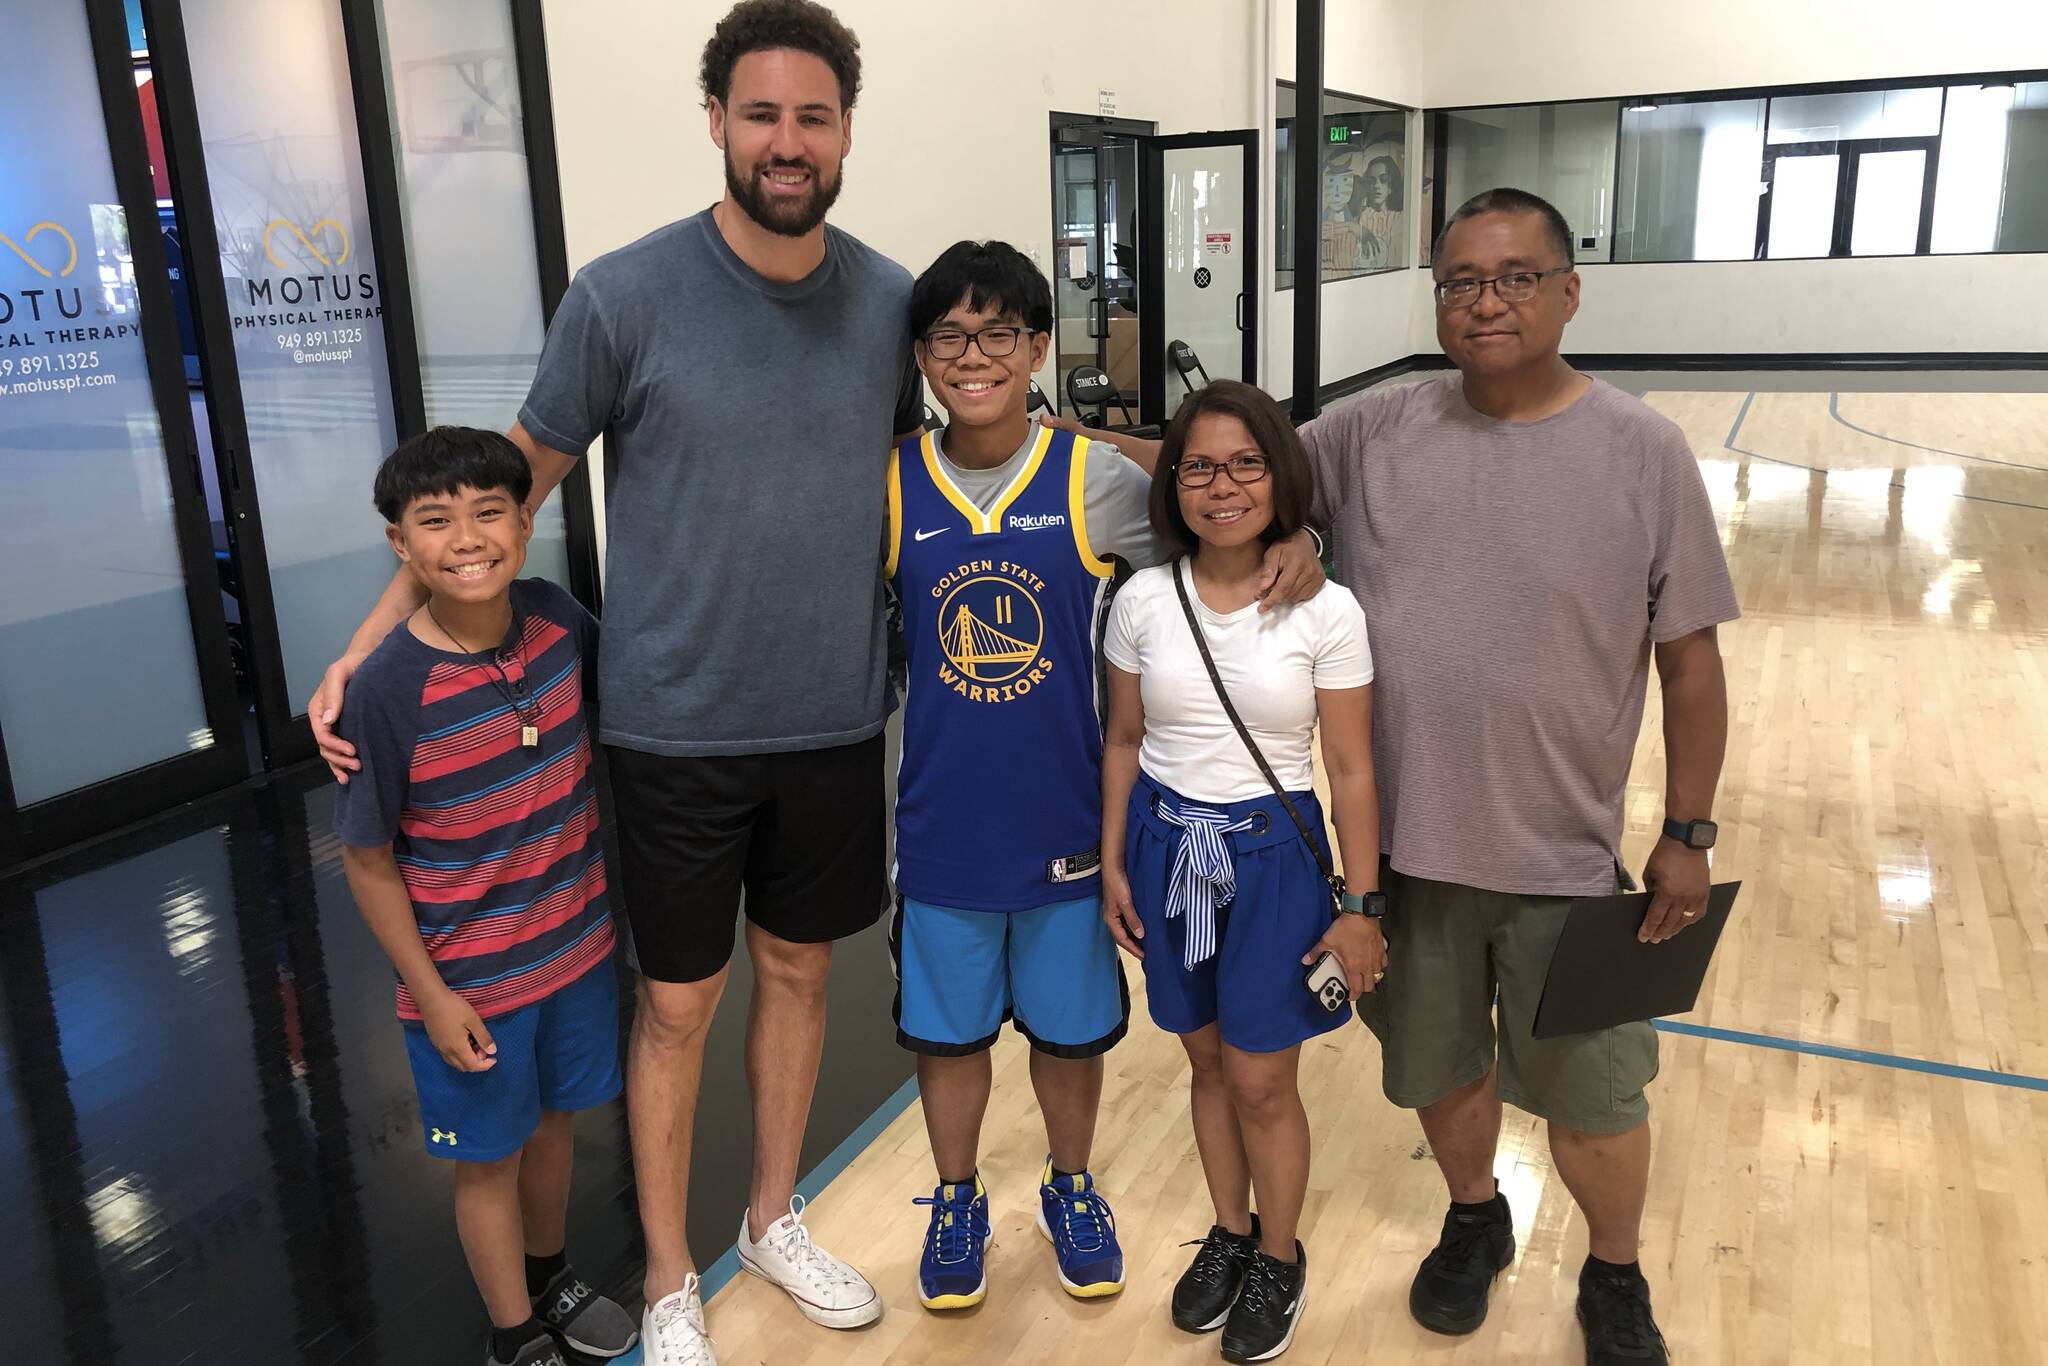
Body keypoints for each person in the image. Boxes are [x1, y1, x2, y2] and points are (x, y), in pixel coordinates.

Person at [311, 5, 915, 1362]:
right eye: (759, 114)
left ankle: (771, 1218)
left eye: (811, 116)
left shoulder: (888, 301)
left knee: (799, 978)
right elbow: (504, 491)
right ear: (716, 123)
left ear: (843, 132)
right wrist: (365, 646)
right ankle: (665, 1275)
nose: (785, 141)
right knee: (678, 1005)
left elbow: (916, 478)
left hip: (832, 718)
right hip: (672, 730)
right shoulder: (624, 295)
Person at [1268, 186, 1739, 1365]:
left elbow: (1688, 662)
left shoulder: (1640, 451)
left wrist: (1688, 830)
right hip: (1403, 854)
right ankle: (1474, 1215)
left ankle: (1614, 1274)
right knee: (1437, 1068)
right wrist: (1034, 439)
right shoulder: (1372, 430)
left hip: (1563, 858)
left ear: (1566, 292)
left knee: (1596, 1100)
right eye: (1460, 282)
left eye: (1514, 278)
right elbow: (1225, 471)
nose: (1485, 302)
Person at [886, 240, 1195, 1312]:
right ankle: (956, 1197)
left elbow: (1211, 542)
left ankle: (1071, 1185)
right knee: (948, 1035)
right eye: (949, 336)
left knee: (1068, 1032)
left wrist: (1289, 544)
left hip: (1068, 821)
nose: (973, 357)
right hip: (941, 826)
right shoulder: (890, 484)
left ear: (1036, 348)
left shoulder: (1092, 480)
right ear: (920, 355)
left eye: (999, 335)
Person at [333, 427, 638, 1366]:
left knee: (555, 1126)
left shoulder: (554, 619)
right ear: (400, 544)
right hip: (471, 984)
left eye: (489, 511)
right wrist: (431, 995)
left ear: (525, 520)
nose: (467, 539)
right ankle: (513, 1334)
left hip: (576, 951)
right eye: (435, 521)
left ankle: (551, 1274)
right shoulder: (387, 692)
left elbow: (632, 696)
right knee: (488, 1157)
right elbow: (367, 860)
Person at [1099, 379, 1385, 1364]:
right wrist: (1112, 862)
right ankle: (1228, 1229)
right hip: (1165, 849)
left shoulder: (1326, 610)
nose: (1222, 487)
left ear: (1278, 474)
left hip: (1273, 860)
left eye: (1245, 464)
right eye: (1198, 467)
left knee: (1262, 1078)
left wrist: (1361, 904)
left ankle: (1278, 1254)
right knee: (1206, 1062)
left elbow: (1350, 767)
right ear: (1172, 481)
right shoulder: (1141, 599)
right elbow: (1123, 740)